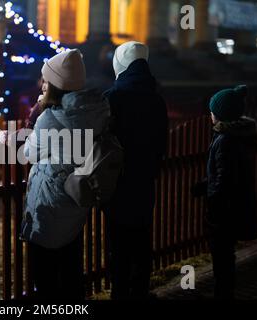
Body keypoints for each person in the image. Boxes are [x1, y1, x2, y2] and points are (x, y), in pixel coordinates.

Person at [21, 49, 110, 299]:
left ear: (55, 84)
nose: (42, 84)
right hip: (76, 193)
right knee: (70, 265)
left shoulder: (49, 118)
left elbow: (29, 152)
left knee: (45, 272)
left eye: (46, 80)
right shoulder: (96, 110)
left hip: (50, 198)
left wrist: (36, 111)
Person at [103, 41, 168, 299]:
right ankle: (139, 290)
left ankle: (120, 292)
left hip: (118, 182)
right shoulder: (157, 99)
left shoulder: (114, 97)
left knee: (118, 244)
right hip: (144, 182)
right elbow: (161, 143)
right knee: (142, 239)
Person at [193, 85, 257, 299]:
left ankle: (223, 294)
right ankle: (225, 291)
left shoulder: (225, 140)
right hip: (235, 206)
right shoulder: (237, 136)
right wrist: (206, 184)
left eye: (212, 111)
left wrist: (212, 199)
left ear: (221, 114)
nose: (210, 114)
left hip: (224, 211)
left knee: (222, 257)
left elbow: (224, 177)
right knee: (226, 256)